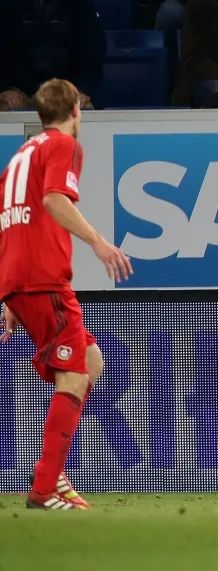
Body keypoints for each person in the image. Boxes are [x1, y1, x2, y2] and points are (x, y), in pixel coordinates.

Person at [0, 79, 134, 510]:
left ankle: (52, 473)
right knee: (75, 375)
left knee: (90, 362)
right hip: (43, 279)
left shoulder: (19, 156)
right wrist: (98, 241)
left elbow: (10, 218)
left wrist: (9, 294)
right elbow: (55, 199)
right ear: (76, 110)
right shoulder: (63, 146)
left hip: (19, 279)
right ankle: (45, 487)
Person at [0, 0, 105, 111]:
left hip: (63, 89)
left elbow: (93, 47)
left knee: (86, 108)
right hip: (18, 90)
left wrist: (84, 90)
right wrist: (2, 89)